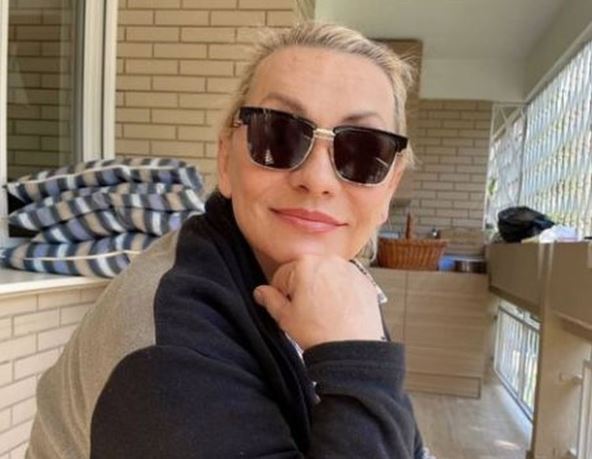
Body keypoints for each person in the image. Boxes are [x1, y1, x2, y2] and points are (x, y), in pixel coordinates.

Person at [27, 21, 429, 458]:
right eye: (278, 134)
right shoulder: (167, 356)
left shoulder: (339, 292)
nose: (317, 179)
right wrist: (359, 367)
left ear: (389, 189)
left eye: (364, 151)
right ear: (225, 160)